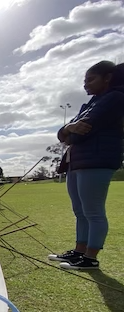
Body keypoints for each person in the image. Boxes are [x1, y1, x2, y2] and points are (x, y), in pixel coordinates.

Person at [49, 61, 124, 270]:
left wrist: (69, 132)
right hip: (77, 162)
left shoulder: (115, 98)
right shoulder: (89, 103)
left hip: (96, 160)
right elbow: (64, 133)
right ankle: (79, 251)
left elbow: (80, 134)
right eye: (84, 80)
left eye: (90, 79)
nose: (85, 85)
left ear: (107, 77)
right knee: (80, 210)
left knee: (93, 211)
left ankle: (91, 258)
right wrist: (68, 127)